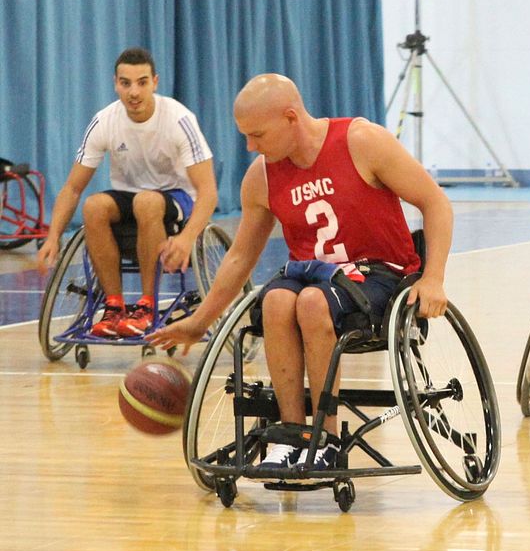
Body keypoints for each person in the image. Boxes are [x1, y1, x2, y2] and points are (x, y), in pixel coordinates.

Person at [148, 73, 453, 472]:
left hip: (380, 274)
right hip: (313, 275)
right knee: (275, 299)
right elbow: (241, 256)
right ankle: (292, 434)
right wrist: (200, 321)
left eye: (257, 135)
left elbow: (435, 203)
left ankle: (325, 438)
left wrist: (434, 278)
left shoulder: (361, 141)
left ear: (291, 117)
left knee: (311, 303)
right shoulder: (261, 176)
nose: (249, 146)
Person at [37, 47, 218, 338]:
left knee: (147, 202)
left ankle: (147, 305)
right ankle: (114, 306)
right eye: (125, 83)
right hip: (130, 196)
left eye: (142, 82)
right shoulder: (105, 121)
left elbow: (208, 191)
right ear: (115, 84)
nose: (133, 92)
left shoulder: (178, 119)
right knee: (94, 205)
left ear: (155, 82)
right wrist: (53, 235)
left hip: (177, 196)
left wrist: (187, 238)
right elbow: (72, 188)